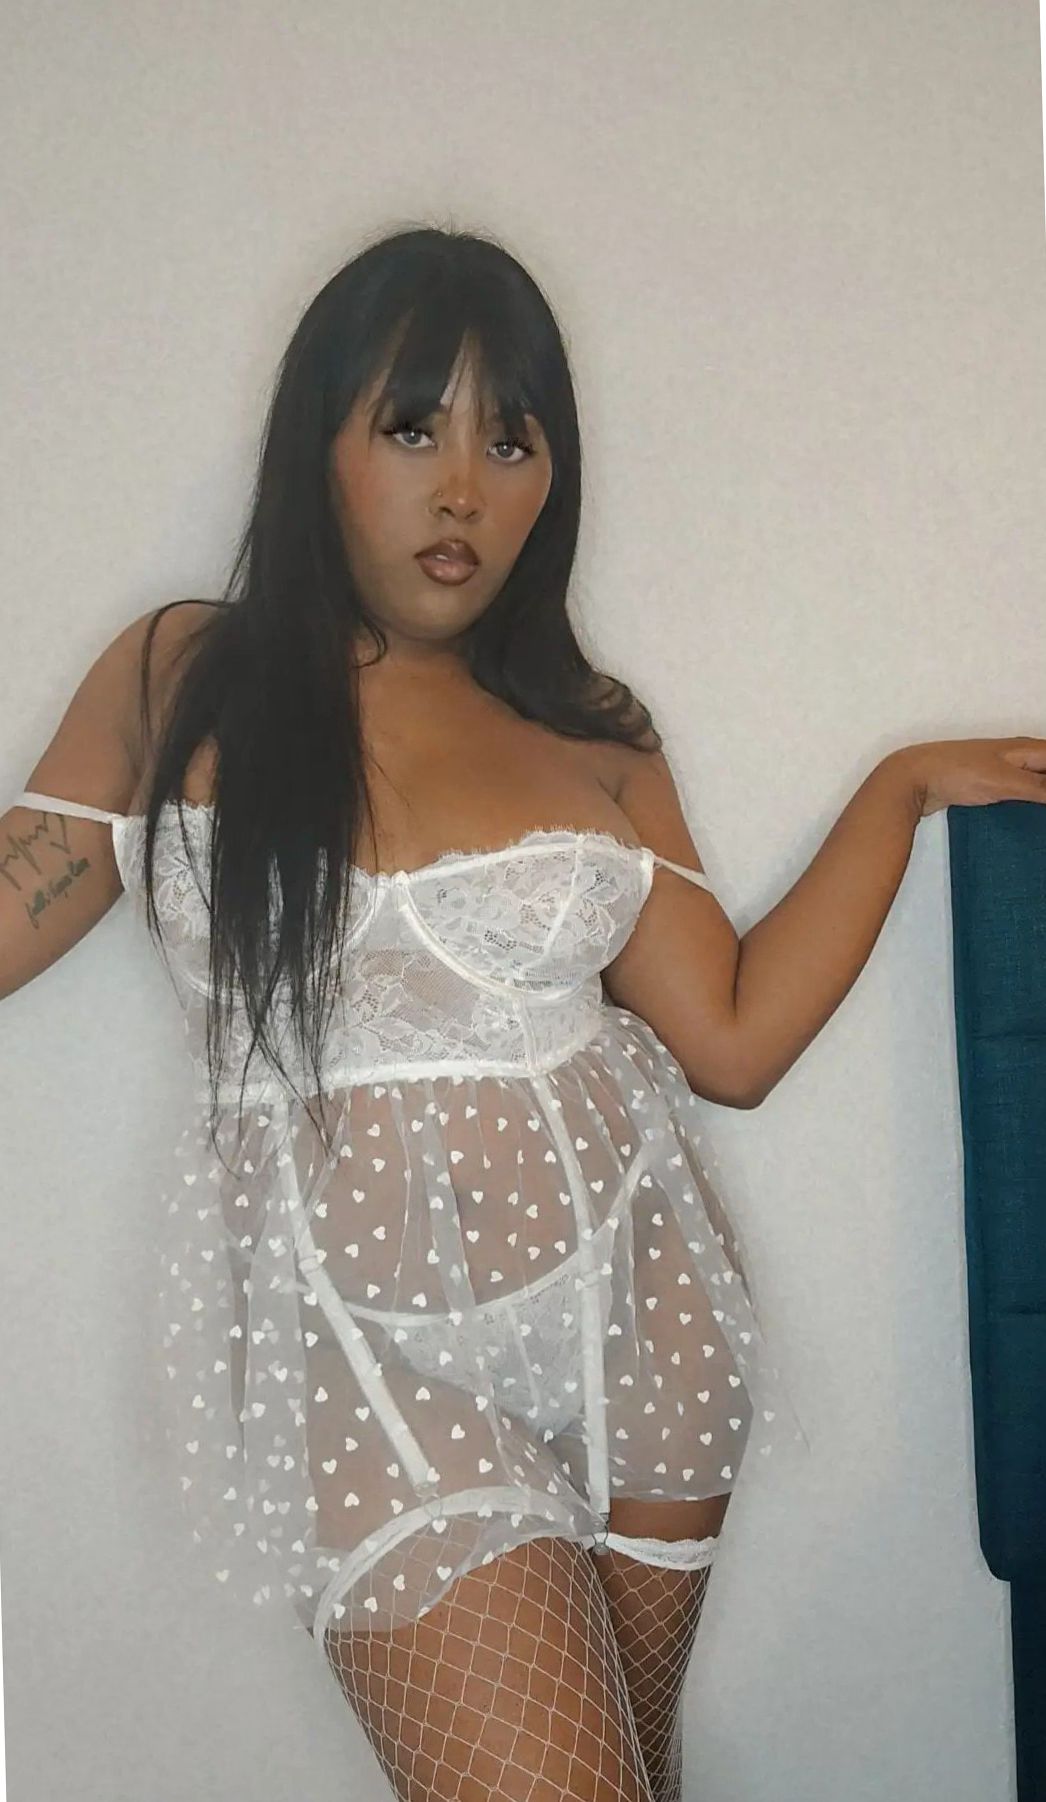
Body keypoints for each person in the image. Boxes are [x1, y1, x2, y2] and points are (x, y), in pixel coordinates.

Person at [6, 223, 1045, 1802]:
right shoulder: (183, 672)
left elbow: (731, 1041)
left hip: (645, 1325)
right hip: (366, 1362)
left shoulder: (589, 724)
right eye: (412, 427)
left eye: (511, 439)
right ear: (318, 444)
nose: (462, 489)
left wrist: (895, 790)